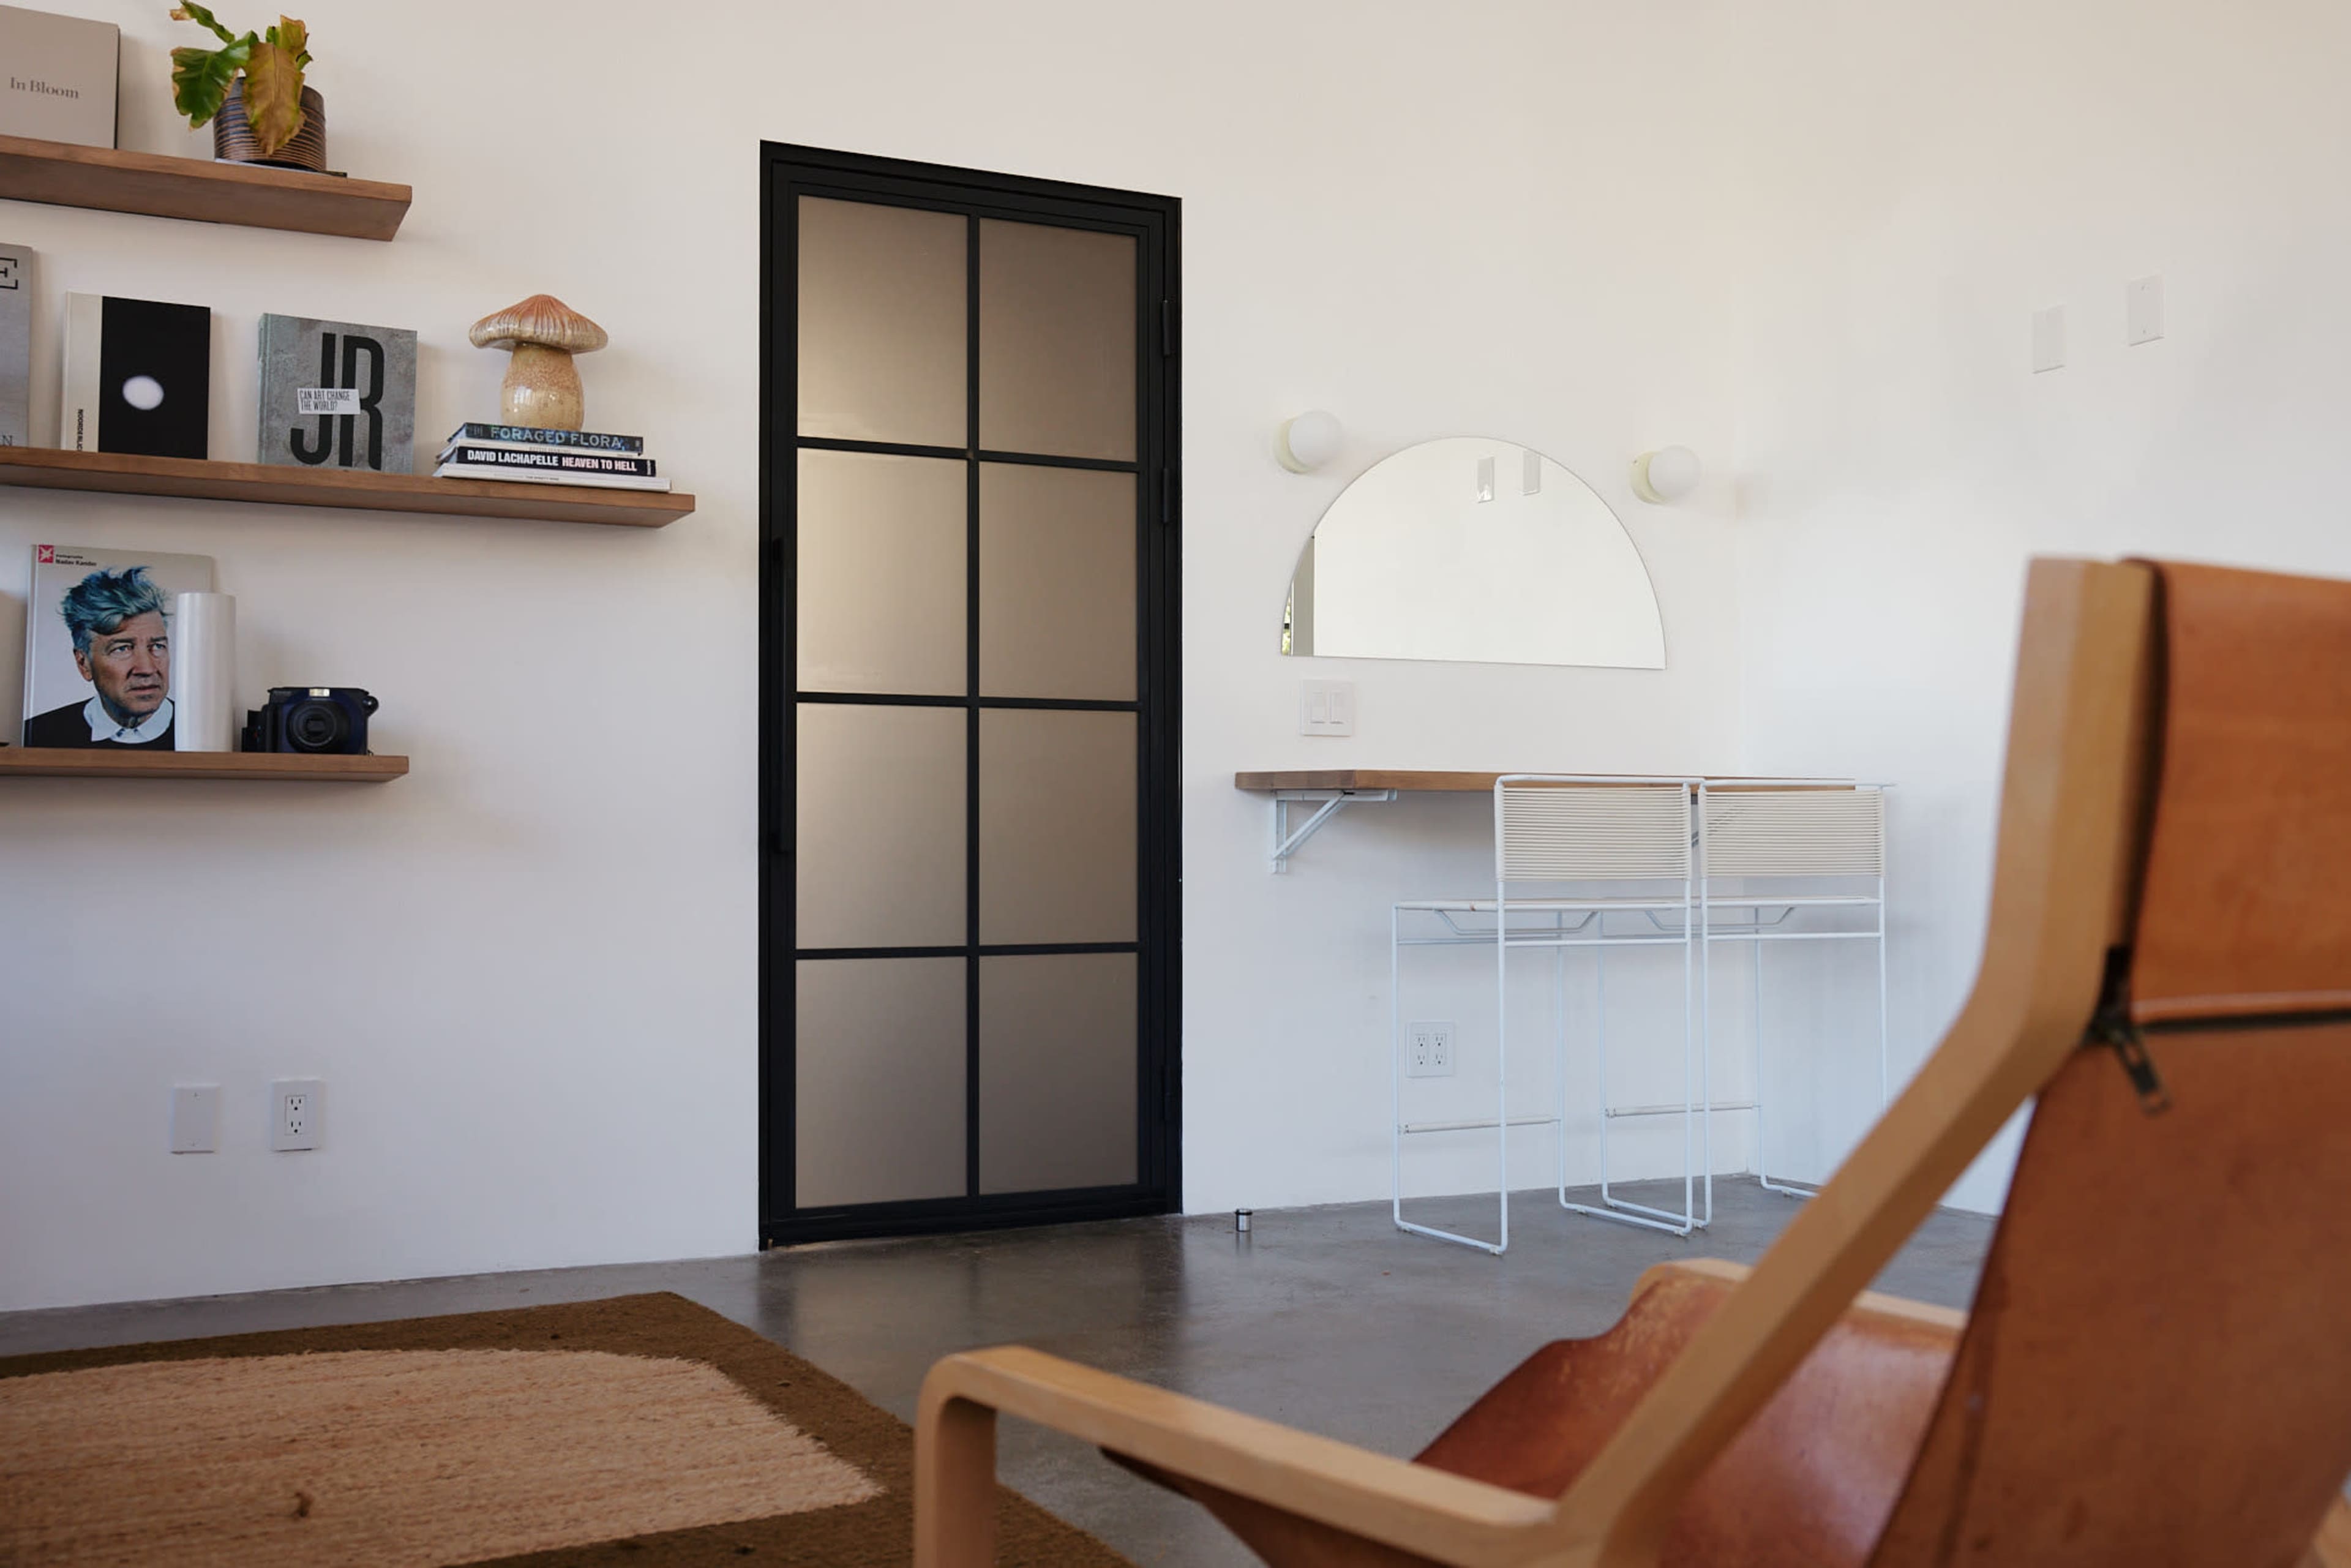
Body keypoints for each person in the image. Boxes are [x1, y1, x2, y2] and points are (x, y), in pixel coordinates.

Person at [21, 566, 176, 749]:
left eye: (157, 646)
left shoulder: (205, 733)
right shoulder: (41, 733)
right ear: (83, 663)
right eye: (123, 649)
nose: (147, 669)